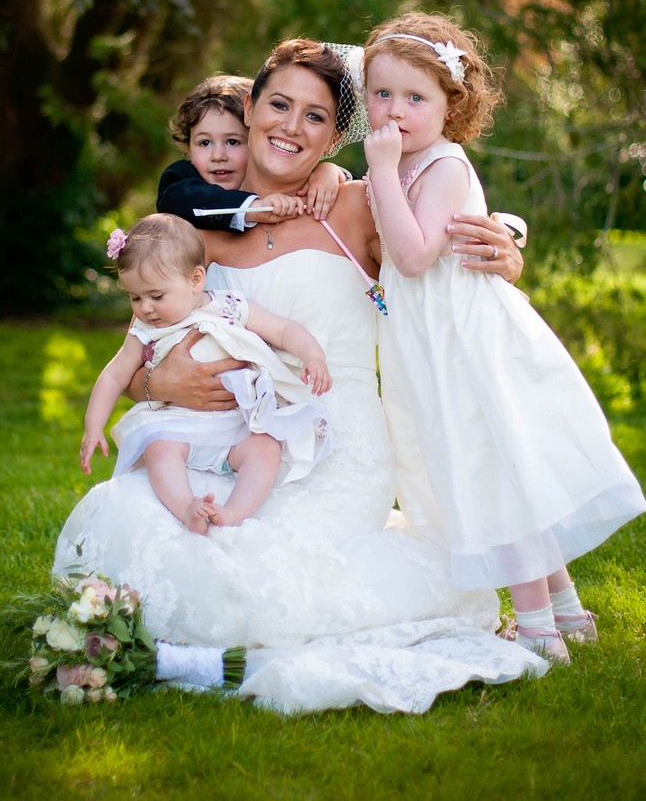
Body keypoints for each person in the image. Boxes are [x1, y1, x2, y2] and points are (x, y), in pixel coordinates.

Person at [55, 37, 547, 714]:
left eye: (314, 117)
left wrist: (507, 244)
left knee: (265, 565)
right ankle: (186, 646)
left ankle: (202, 654)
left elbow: (438, 235)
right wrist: (153, 386)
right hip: (220, 433)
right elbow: (149, 330)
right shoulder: (196, 218)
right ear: (250, 107)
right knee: (130, 518)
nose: (291, 125)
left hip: (334, 440)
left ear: (337, 135)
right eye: (279, 104)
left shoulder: (355, 205)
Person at [362, 11, 646, 665]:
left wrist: (378, 171)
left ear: (450, 103)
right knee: (485, 469)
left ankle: (541, 626)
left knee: (495, 477)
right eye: (382, 94)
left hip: (466, 348)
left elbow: (410, 256)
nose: (395, 110)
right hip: (429, 347)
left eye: (415, 97)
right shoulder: (399, 162)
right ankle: (569, 609)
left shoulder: (441, 167)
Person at [80, 212, 332, 534]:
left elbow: (282, 330)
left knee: (266, 448)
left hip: (235, 423)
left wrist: (312, 355)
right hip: (177, 423)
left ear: (196, 279)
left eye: (156, 296)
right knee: (159, 448)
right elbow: (115, 375)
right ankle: (187, 507)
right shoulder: (144, 329)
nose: (145, 308)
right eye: (135, 298)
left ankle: (233, 513)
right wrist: (93, 427)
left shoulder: (229, 306)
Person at [157, 73, 350, 232]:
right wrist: (252, 208)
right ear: (189, 148)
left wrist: (330, 172)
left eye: (232, 142)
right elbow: (176, 199)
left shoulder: (284, 185)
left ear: (254, 141)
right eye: (204, 142)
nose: (218, 156)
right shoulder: (180, 181)